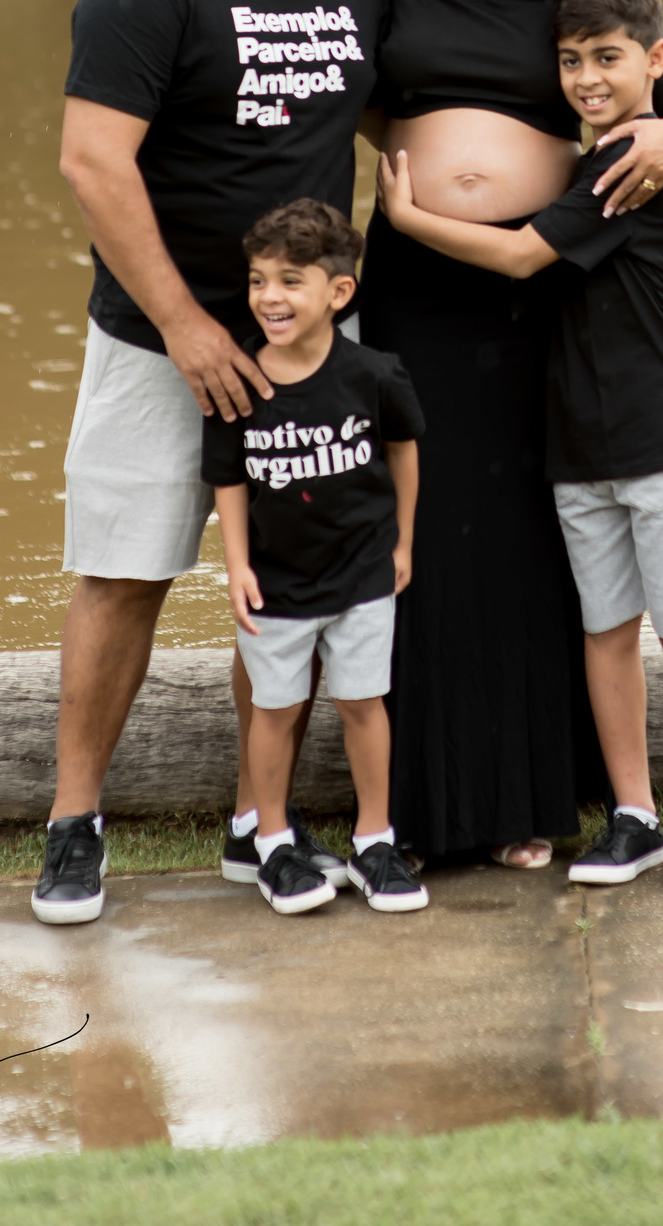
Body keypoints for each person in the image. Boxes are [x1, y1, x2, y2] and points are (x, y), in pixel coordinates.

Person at [32, 0, 385, 926]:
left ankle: (258, 821)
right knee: (123, 574)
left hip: (304, 354)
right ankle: (74, 821)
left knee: (289, 584)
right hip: (153, 341)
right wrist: (186, 324)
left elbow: (408, 111)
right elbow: (93, 162)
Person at [359, 0, 663, 868]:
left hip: (533, 293)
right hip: (413, 290)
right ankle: (422, 809)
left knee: (522, 541)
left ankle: (528, 799)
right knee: (423, 535)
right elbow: (349, 92)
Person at [202, 198, 428, 915]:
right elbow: (228, 478)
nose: (269, 296)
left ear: (339, 291)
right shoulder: (238, 383)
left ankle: (374, 842)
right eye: (258, 279)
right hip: (277, 586)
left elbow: (404, 450)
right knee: (275, 710)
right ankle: (272, 844)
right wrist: (237, 565)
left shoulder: (375, 374)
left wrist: (403, 540)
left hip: (362, 576)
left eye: (290, 280)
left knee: (363, 703)